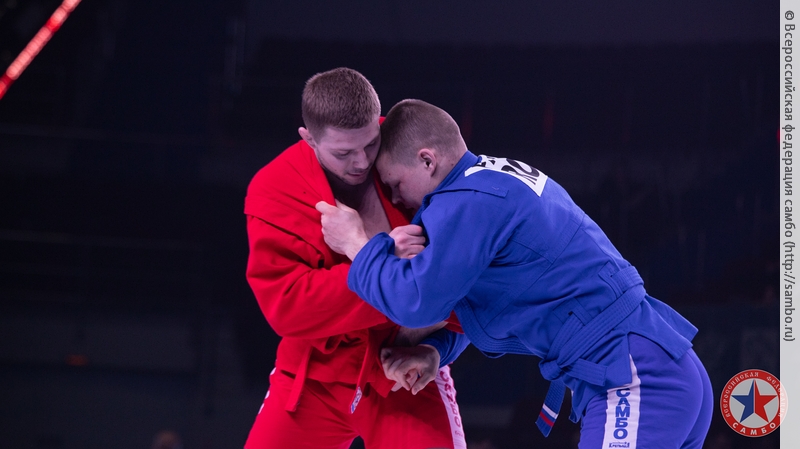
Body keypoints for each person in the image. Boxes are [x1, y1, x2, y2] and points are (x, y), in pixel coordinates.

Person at [316, 99, 714, 448]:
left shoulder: (464, 201)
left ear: (427, 160)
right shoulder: (496, 179)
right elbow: (484, 301)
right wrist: (437, 350)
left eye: (396, 184)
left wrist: (358, 244)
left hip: (635, 378)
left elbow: (417, 302)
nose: (396, 198)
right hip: (662, 365)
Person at [243, 70, 467, 449]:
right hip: (311, 377)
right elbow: (288, 306)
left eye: (371, 143)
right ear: (309, 138)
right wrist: (385, 263)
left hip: (406, 368)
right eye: (343, 153)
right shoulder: (274, 189)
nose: (362, 161)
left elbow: (468, 281)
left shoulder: (413, 147)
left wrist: (439, 350)